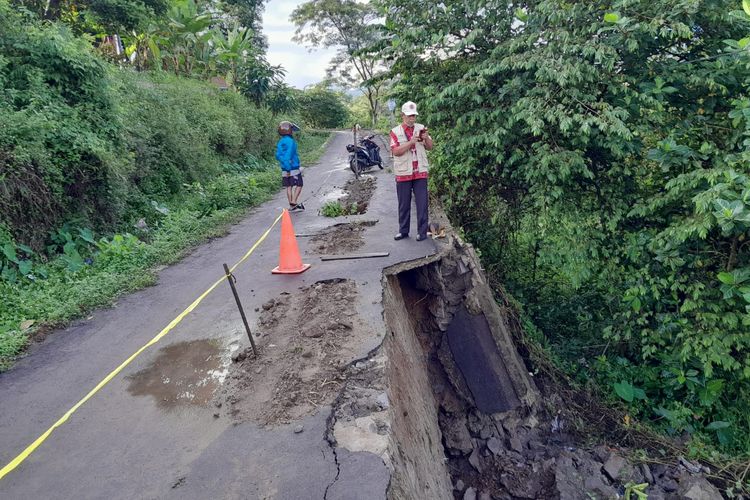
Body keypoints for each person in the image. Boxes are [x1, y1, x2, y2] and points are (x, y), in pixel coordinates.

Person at [389, 101, 433, 241]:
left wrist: (426, 139)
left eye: (414, 115)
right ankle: (403, 231)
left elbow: (430, 147)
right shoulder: (395, 131)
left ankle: (422, 232)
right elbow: (396, 151)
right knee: (404, 203)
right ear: (403, 115)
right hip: (404, 172)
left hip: (420, 171)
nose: (412, 118)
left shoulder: (421, 128)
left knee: (422, 203)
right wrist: (410, 142)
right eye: (409, 116)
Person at [275, 121, 305, 211]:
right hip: (292, 168)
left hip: (284, 168)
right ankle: (294, 201)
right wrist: (288, 168)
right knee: (299, 184)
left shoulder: (280, 142)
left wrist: (285, 166)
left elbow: (278, 155)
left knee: (289, 186)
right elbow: (289, 155)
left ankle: (291, 205)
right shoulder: (291, 142)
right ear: (289, 130)